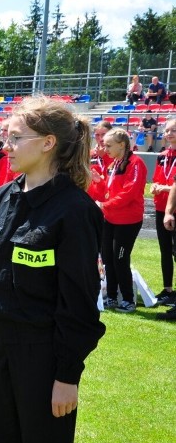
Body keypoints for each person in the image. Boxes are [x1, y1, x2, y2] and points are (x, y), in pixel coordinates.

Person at [0, 96, 105, 443]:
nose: (5, 145)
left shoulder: (74, 211)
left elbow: (80, 304)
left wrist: (67, 375)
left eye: (15, 137)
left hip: (43, 355)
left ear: (48, 143)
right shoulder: (0, 199)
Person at [88, 128, 147, 312]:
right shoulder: (113, 164)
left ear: (122, 145)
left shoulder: (136, 163)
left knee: (120, 259)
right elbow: (107, 190)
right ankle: (112, 296)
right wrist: (98, 181)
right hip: (110, 219)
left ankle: (128, 299)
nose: (105, 149)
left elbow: (130, 192)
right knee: (107, 259)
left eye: (109, 145)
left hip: (128, 221)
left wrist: (105, 205)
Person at [150, 118, 176, 310]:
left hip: (173, 209)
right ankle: (167, 289)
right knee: (165, 251)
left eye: (173, 130)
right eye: (167, 131)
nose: (169, 134)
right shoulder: (162, 155)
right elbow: (156, 179)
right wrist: (155, 187)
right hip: (161, 208)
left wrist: (164, 188)